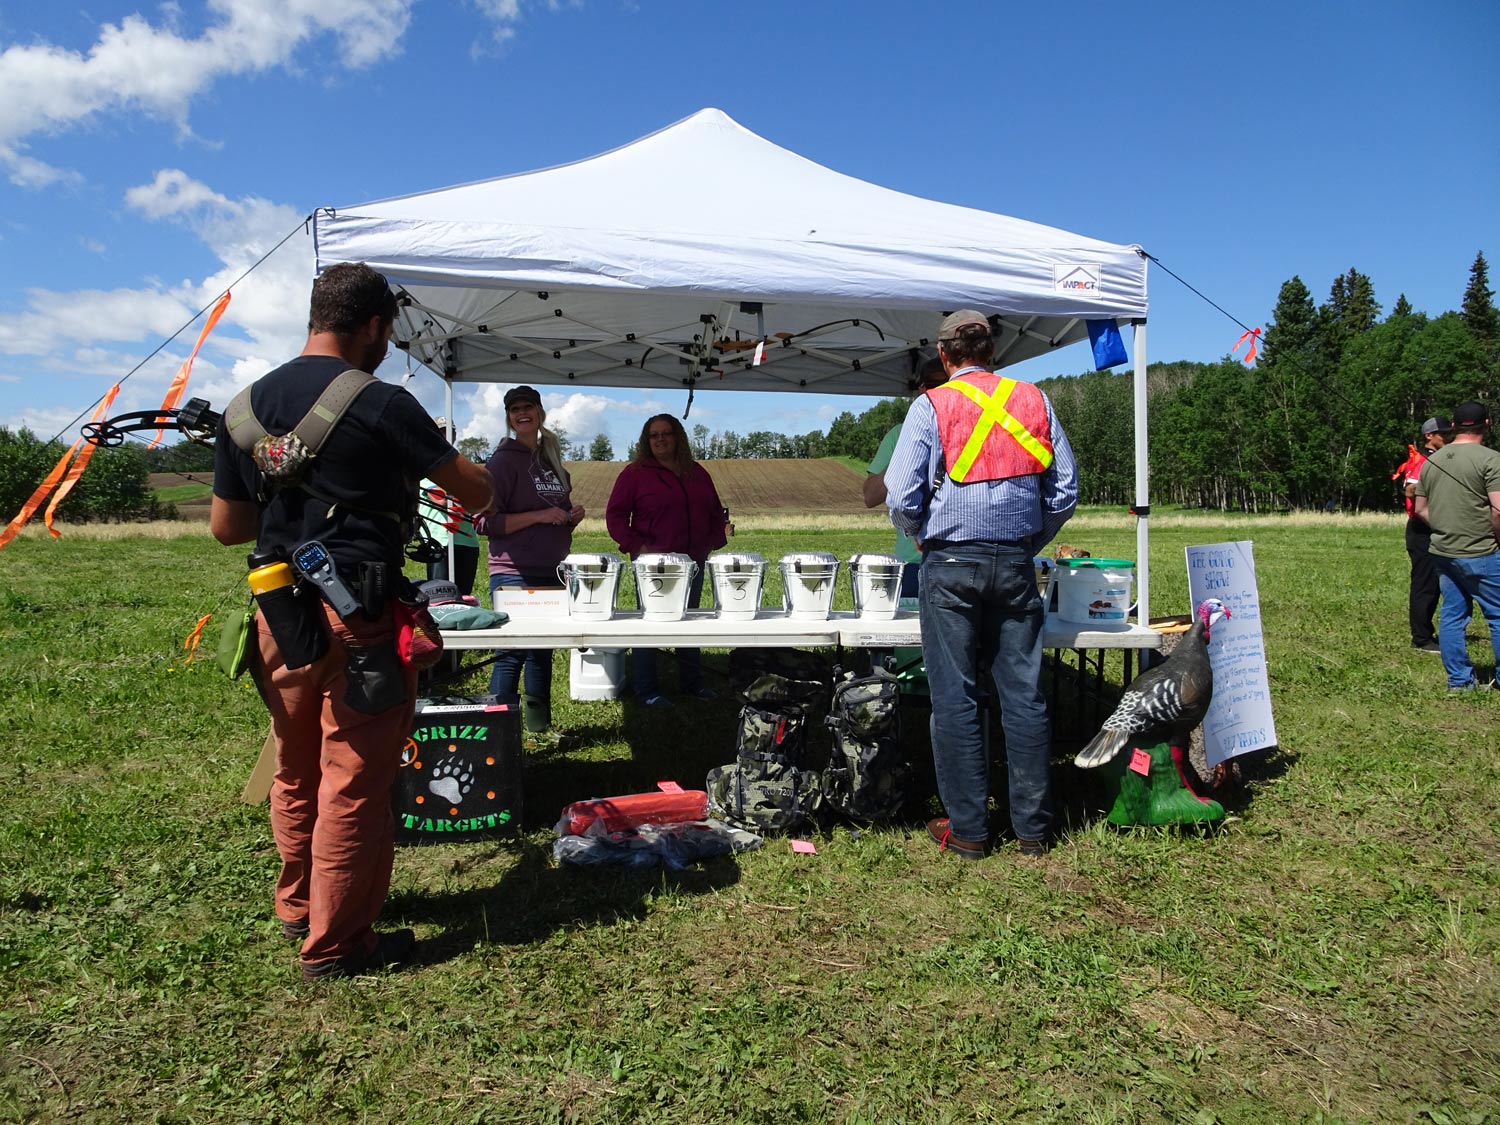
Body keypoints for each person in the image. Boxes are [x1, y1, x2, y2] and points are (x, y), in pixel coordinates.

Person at [210, 262, 493, 979]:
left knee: (296, 765)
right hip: (360, 615)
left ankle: (300, 906)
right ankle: (338, 945)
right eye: (386, 335)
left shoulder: (243, 407)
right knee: (355, 778)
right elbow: (475, 490)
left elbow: (227, 528)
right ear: (371, 326)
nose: (385, 347)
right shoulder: (381, 402)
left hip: (279, 614)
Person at [884, 310, 1078, 859]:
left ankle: (969, 831)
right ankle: (1033, 832)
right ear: (993, 352)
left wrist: (923, 537)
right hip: (1015, 563)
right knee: (1024, 695)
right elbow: (1064, 489)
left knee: (955, 697)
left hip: (949, 564)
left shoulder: (931, 405)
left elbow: (900, 495)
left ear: (944, 356)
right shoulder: (1034, 400)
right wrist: (1028, 543)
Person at [473, 386, 584, 741]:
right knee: (511, 651)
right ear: (508, 417)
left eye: (528, 407)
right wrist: (539, 515)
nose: (522, 413)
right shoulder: (502, 462)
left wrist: (569, 516)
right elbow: (484, 522)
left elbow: (555, 511)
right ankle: (495, 733)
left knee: (541, 651)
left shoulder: (549, 459)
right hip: (513, 571)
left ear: (540, 412)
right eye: (515, 409)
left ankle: (538, 727)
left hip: (551, 567)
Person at [606, 413, 729, 707]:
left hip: (693, 563)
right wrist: (638, 547)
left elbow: (715, 511)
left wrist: (711, 542)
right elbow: (616, 515)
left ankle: (692, 683)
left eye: (666, 433)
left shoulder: (697, 472)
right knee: (651, 624)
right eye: (654, 435)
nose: (660, 439)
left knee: (689, 623)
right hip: (654, 567)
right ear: (646, 441)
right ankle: (646, 690)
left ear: (678, 437)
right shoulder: (635, 473)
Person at [1412, 400, 1500, 691]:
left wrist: (1447, 528)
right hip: (1483, 551)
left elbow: (1421, 509)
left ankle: (1460, 682)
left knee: (1452, 616)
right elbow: (1498, 511)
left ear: (1454, 426)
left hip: (1442, 551)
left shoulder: (1432, 460)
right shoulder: (1491, 459)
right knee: (1498, 615)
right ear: (1486, 424)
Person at [863, 356, 949, 600]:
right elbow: (871, 496)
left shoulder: (971, 428)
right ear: (920, 390)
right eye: (933, 386)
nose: (939, 393)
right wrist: (906, 453)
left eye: (947, 385)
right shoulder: (899, 434)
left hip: (955, 561)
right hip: (912, 563)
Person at [1395, 416, 1450, 653]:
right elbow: (1409, 489)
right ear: (1430, 436)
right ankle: (1421, 638)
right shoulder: (1422, 460)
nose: (1448, 437)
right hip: (1421, 530)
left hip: (1435, 526)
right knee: (1425, 584)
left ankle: (1429, 631)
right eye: (1444, 434)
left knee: (1437, 584)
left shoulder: (1439, 459)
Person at [420, 419, 481, 598]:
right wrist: (466, 496)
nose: (446, 436)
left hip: (467, 541)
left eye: (449, 431)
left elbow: (479, 499)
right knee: (440, 597)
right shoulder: (427, 466)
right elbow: (441, 500)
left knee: (463, 596)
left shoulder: (463, 465)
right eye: (441, 431)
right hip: (440, 541)